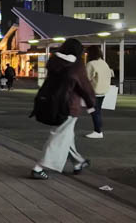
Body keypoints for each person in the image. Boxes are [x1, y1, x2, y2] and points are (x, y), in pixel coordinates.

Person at [30, 38, 97, 180]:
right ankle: (39, 167)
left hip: (52, 103)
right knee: (59, 136)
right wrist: (92, 104)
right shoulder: (76, 64)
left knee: (66, 135)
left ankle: (78, 162)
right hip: (69, 106)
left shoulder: (54, 60)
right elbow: (84, 86)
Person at [85, 45, 114, 139]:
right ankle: (98, 130)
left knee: (94, 111)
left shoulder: (91, 64)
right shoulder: (104, 63)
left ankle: (98, 131)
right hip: (103, 91)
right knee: (97, 111)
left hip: (94, 91)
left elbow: (86, 78)